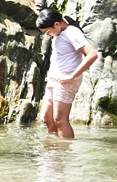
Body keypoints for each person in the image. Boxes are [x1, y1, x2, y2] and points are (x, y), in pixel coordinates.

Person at [38, 8, 99, 139]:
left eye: (47, 31)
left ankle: (63, 153)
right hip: (54, 79)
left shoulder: (72, 32)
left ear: (56, 24)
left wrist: (73, 75)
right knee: (47, 117)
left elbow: (92, 54)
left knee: (60, 119)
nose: (47, 34)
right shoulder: (58, 33)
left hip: (66, 81)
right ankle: (53, 151)